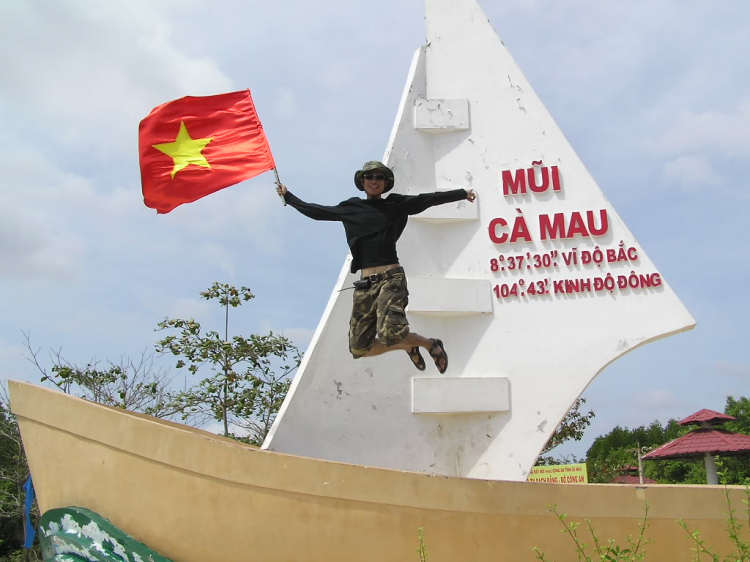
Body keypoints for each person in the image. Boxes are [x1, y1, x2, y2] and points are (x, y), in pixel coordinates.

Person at [276, 161, 477, 374]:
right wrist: (289, 198)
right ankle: (409, 346)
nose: (374, 180)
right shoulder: (351, 208)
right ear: (362, 181)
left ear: (385, 183)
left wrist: (463, 193)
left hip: (390, 279)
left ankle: (430, 344)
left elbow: (428, 199)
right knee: (360, 348)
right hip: (365, 287)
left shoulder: (395, 205)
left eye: (379, 177)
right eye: (370, 176)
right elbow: (318, 212)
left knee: (391, 333)